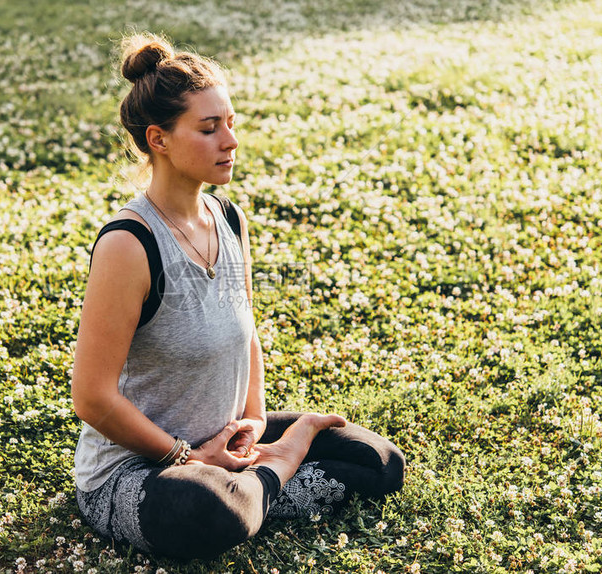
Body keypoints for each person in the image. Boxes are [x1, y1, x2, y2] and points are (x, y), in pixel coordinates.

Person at [71, 33, 405, 560]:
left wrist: (252, 427)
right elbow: (91, 398)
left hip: (223, 442)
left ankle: (257, 481)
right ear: (158, 139)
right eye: (209, 128)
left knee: (378, 461)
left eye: (230, 123)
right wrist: (187, 458)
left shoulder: (227, 218)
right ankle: (274, 473)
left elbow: (245, 329)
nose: (230, 140)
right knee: (207, 511)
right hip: (139, 470)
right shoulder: (128, 244)